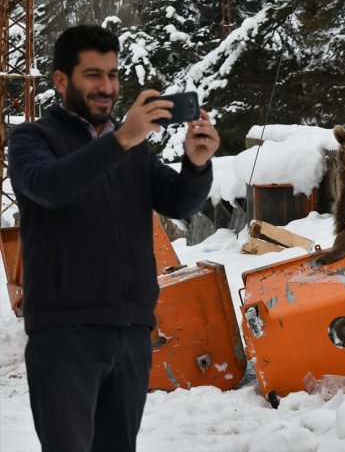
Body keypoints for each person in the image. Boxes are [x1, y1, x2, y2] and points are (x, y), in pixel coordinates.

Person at [8, 25, 219, 451]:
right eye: (93, 75)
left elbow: (177, 202)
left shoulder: (132, 148)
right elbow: (50, 186)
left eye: (113, 74)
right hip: (65, 336)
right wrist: (123, 138)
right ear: (61, 80)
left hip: (130, 332)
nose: (107, 87)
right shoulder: (33, 140)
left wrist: (196, 165)